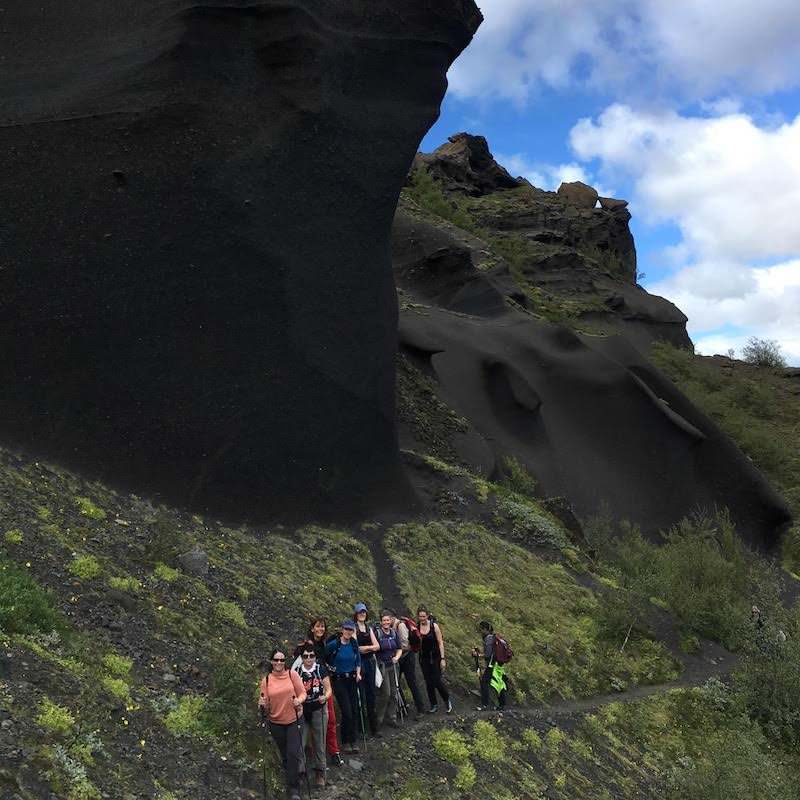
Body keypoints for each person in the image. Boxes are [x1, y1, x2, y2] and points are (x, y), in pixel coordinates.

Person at [258, 648, 307, 800]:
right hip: (276, 722)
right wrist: (261, 704)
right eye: (276, 660)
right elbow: (265, 704)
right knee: (286, 755)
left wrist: (299, 700)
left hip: (294, 720)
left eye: (282, 660)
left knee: (293, 753)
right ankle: (290, 778)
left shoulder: (292, 675)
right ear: (271, 661)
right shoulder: (266, 680)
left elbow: (303, 692)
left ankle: (294, 790)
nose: (279, 662)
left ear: (285, 662)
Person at [295, 617, 343, 767]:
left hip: (322, 684)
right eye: (318, 627)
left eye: (322, 627)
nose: (320, 629)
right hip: (308, 688)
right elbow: (297, 661)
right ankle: (318, 756)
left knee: (330, 720)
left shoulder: (323, 643)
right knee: (312, 725)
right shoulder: (307, 645)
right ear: (312, 628)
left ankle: (332, 752)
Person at [295, 645, 332, 788]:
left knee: (319, 741)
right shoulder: (297, 671)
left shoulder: (320, 669)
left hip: (318, 708)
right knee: (300, 741)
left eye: (311, 655)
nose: (309, 659)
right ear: (302, 658)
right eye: (305, 656)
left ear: (315, 657)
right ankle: (301, 771)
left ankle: (320, 771)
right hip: (303, 710)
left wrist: (325, 697)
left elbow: (328, 689)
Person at [324, 619, 362, 754]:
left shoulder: (353, 643)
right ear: (342, 629)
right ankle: (345, 741)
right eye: (346, 629)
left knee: (355, 709)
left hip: (352, 679)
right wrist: (329, 669)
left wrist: (358, 673)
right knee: (346, 711)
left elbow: (358, 659)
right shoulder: (334, 645)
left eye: (351, 630)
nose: (348, 632)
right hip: (339, 680)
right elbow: (324, 657)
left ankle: (353, 740)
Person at [417, 605, 452, 714]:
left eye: (424, 616)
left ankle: (447, 700)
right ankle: (434, 704)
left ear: (427, 616)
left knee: (437, 680)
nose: (422, 618)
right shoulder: (417, 627)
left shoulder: (434, 626)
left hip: (435, 657)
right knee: (428, 682)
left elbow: (440, 642)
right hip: (424, 658)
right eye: (420, 616)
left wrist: (442, 658)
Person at [353, 601, 380, 735]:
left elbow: (377, 646)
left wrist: (367, 648)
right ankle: (361, 729)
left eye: (364, 612)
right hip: (360, 664)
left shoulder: (368, 628)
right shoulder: (353, 628)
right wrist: (370, 648)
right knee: (360, 696)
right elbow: (355, 648)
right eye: (360, 612)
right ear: (356, 614)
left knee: (371, 695)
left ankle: (373, 727)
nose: (362, 614)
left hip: (369, 663)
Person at [374, 609, 403, 728]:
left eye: (388, 620)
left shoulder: (394, 633)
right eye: (384, 620)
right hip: (382, 667)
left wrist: (397, 657)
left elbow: (400, 648)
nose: (386, 622)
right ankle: (379, 719)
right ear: (381, 622)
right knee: (385, 693)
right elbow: (375, 650)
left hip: (393, 665)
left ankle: (392, 718)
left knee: (394, 693)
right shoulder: (377, 634)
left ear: (391, 621)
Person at [394, 612, 426, 715]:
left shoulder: (401, 625)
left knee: (411, 682)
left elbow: (405, 644)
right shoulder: (394, 625)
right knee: (396, 683)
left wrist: (395, 650)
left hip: (407, 657)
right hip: (401, 657)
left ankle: (420, 708)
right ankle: (403, 707)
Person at [477, 620, 507, 710]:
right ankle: (502, 704)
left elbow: (488, 655)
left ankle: (485, 704)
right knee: (499, 683)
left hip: (492, 664)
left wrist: (478, 655)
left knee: (484, 682)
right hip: (498, 665)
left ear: (486, 629)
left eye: (481, 629)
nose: (480, 632)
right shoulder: (493, 638)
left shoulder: (488, 639)